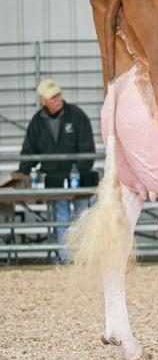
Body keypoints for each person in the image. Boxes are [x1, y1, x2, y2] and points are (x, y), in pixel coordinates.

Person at [19, 78, 98, 263]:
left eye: (58, 95)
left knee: (82, 219)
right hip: (55, 181)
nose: (58, 99)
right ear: (43, 100)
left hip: (80, 180)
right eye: (52, 97)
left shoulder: (77, 116)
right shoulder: (37, 122)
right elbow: (29, 151)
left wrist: (77, 171)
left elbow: (88, 149)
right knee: (60, 220)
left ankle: (82, 260)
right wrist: (22, 174)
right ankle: (64, 260)